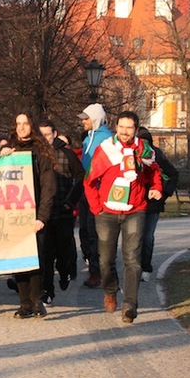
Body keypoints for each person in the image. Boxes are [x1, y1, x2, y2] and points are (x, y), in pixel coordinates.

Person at [85, 111, 162, 324]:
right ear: (116, 127)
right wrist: (96, 208)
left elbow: (155, 172)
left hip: (135, 210)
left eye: (129, 128)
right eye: (121, 127)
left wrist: (156, 188)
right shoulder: (106, 150)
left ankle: (130, 304)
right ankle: (110, 290)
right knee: (105, 260)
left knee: (132, 259)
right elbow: (89, 180)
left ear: (136, 130)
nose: (125, 131)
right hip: (107, 212)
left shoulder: (144, 150)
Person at [0, 111, 57, 318]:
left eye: (25, 123)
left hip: (34, 213)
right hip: (13, 214)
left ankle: (37, 300)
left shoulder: (41, 151)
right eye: (18, 123)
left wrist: (42, 216)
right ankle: (24, 303)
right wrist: (1, 156)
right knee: (19, 260)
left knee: (36, 260)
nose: (21, 127)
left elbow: (48, 185)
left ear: (32, 126)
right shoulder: (9, 149)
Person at [39, 120, 84, 305]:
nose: (44, 139)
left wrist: (71, 200)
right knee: (46, 253)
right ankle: (47, 291)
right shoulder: (34, 155)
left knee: (64, 251)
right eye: (41, 136)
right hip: (44, 213)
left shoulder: (66, 154)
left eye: (47, 135)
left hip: (63, 211)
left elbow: (81, 177)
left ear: (54, 134)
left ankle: (65, 271)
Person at [136, 127, 178, 281]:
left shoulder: (157, 155)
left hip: (153, 204)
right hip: (135, 202)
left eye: (146, 142)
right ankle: (135, 267)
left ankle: (146, 267)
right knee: (134, 237)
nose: (144, 145)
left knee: (147, 237)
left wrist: (165, 194)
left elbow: (173, 174)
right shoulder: (132, 154)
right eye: (141, 142)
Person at [78, 103, 112, 289]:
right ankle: (93, 265)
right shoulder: (87, 139)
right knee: (84, 230)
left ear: (96, 119)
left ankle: (97, 273)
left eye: (86, 118)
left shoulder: (107, 139)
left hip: (99, 194)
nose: (83, 121)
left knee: (95, 234)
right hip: (85, 191)